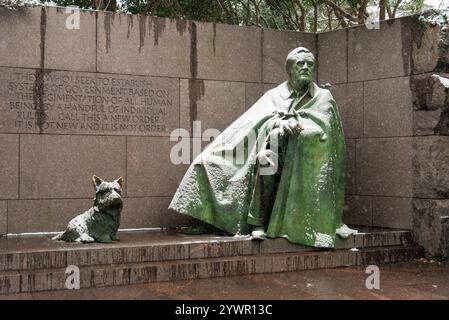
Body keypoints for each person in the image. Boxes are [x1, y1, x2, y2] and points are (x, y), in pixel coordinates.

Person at [169, 47, 356, 248]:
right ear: (289, 69)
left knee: (267, 161)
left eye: (309, 64)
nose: (305, 67)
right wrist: (277, 125)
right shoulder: (274, 95)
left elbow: (327, 134)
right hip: (263, 146)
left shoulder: (323, 97)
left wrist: (298, 131)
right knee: (208, 162)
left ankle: (258, 222)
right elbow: (253, 123)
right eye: (300, 63)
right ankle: (209, 219)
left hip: (300, 157)